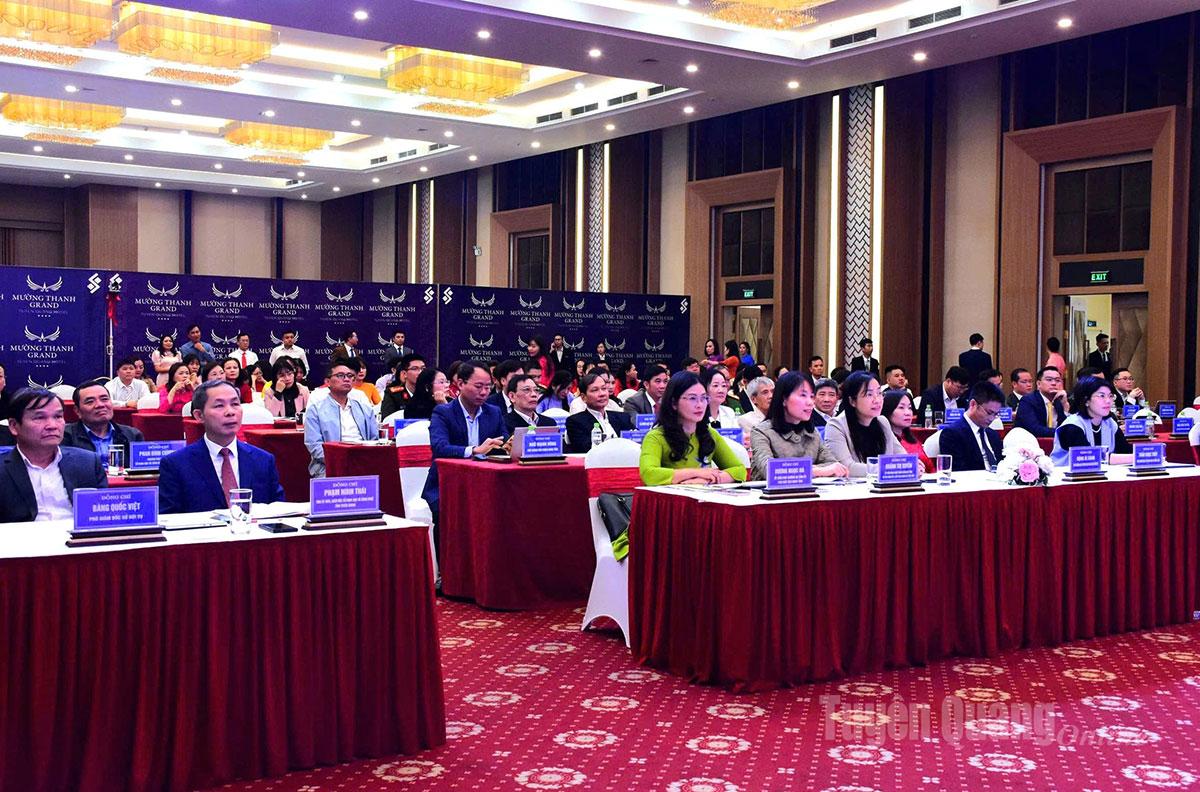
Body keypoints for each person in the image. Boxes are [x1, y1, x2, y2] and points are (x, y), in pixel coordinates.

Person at [157, 380, 285, 514]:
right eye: (219, 406)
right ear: (199, 415)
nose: (230, 412)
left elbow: (278, 512)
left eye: (235, 404)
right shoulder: (176, 464)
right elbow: (168, 519)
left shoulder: (263, 460)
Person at [0, 388, 106, 522]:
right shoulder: (3, 470)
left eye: (58, 417)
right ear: (14, 426)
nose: (52, 426)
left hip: (75, 534)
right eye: (39, 417)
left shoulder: (88, 463)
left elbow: (102, 518)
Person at [422, 361, 508, 523]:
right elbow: (440, 448)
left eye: (488, 387)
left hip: (485, 484)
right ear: (460, 384)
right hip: (449, 484)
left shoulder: (494, 412)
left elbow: (503, 443)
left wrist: (509, 446)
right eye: (478, 386)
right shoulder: (443, 412)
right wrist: (474, 450)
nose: (484, 392)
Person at [639, 371, 747, 486]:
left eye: (703, 398)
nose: (700, 405)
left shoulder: (709, 433)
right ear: (674, 403)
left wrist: (707, 480)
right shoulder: (655, 437)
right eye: (692, 398)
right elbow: (649, 474)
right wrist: (698, 473)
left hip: (704, 495)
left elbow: (740, 470)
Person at [749, 371, 848, 481]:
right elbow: (771, 471)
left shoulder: (812, 432)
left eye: (811, 396)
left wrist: (808, 470)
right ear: (783, 399)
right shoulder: (761, 432)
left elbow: (833, 464)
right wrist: (818, 471)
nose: (810, 402)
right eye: (803, 395)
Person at [303, 360, 378, 477]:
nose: (347, 379)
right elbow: (314, 445)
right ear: (328, 382)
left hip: (362, 464)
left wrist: (361, 462)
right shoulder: (316, 410)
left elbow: (374, 440)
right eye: (340, 375)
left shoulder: (364, 408)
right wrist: (340, 463)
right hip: (328, 466)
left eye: (350, 376)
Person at [824, 371, 905, 477]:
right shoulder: (836, 426)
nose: (877, 400)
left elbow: (902, 456)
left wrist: (912, 465)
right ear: (852, 401)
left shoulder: (882, 422)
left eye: (879, 393)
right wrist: (892, 468)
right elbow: (847, 468)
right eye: (869, 394)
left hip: (883, 485)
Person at [1051, 376, 1133, 466]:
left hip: (1101, 473)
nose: (1108, 401)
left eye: (1110, 396)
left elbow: (1125, 450)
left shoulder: (1110, 423)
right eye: (1102, 396)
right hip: (1066, 473)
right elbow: (1090, 458)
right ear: (1086, 400)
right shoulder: (1072, 426)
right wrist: (1136, 457)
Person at [63, 378, 145, 461]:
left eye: (104, 399)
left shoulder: (132, 435)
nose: (100, 405)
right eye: (90, 401)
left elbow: (142, 467)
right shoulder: (65, 436)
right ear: (77, 411)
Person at [938, 381, 1006, 472]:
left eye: (996, 414)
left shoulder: (993, 435)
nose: (992, 418)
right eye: (989, 413)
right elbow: (958, 472)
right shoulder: (951, 434)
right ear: (973, 404)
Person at [565, 372, 634, 452]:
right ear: (584, 397)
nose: (602, 394)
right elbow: (586, 450)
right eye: (595, 390)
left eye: (604, 389)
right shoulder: (575, 422)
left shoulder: (623, 418)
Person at [882, 389, 933, 473]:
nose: (908, 413)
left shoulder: (912, 439)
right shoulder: (884, 441)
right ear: (888, 410)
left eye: (910, 408)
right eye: (901, 407)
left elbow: (931, 468)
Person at [1015, 366, 1068, 438]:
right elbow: (1035, 429)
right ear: (1038, 384)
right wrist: (1062, 432)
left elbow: (1066, 427)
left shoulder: (1059, 401)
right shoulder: (1028, 400)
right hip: (1029, 442)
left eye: (1057, 380)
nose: (1054, 383)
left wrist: (1065, 405)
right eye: (1049, 380)